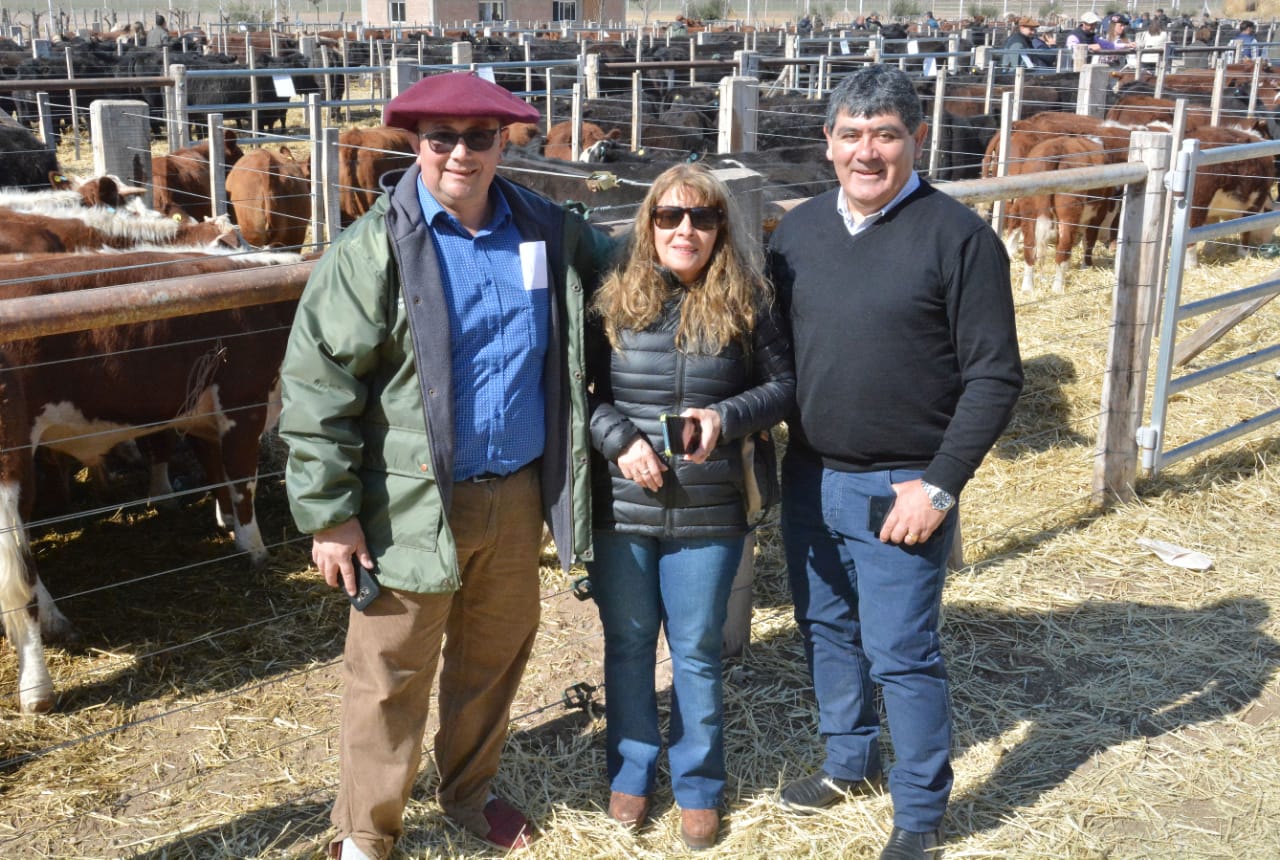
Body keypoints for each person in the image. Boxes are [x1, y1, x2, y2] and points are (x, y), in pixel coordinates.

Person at [278, 71, 615, 860]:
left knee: (492, 659)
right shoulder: (373, 249)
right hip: (408, 500)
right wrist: (330, 515)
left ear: (503, 143)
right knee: (389, 672)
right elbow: (319, 384)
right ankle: (366, 832)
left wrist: (700, 232)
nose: (460, 153)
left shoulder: (546, 229)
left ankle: (468, 793)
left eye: (479, 137)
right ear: (416, 144)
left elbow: (629, 273)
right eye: (442, 138)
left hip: (518, 493)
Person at [766, 65, 1023, 860]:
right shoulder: (799, 233)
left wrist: (939, 486)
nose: (867, 152)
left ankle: (919, 814)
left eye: (885, 134)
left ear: (918, 138)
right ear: (827, 142)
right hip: (810, 472)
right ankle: (849, 763)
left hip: (902, 484)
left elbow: (995, 376)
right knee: (825, 627)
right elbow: (775, 354)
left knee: (903, 654)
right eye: (851, 134)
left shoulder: (959, 238)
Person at [586, 163, 795, 851]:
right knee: (629, 643)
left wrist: (725, 418)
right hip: (624, 506)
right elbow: (580, 390)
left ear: (720, 228)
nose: (686, 230)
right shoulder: (614, 297)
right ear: (649, 223)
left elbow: (783, 388)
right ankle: (631, 772)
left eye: (702, 217)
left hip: (711, 508)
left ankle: (699, 785)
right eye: (670, 215)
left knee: (698, 649)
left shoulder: (748, 300)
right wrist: (618, 440)